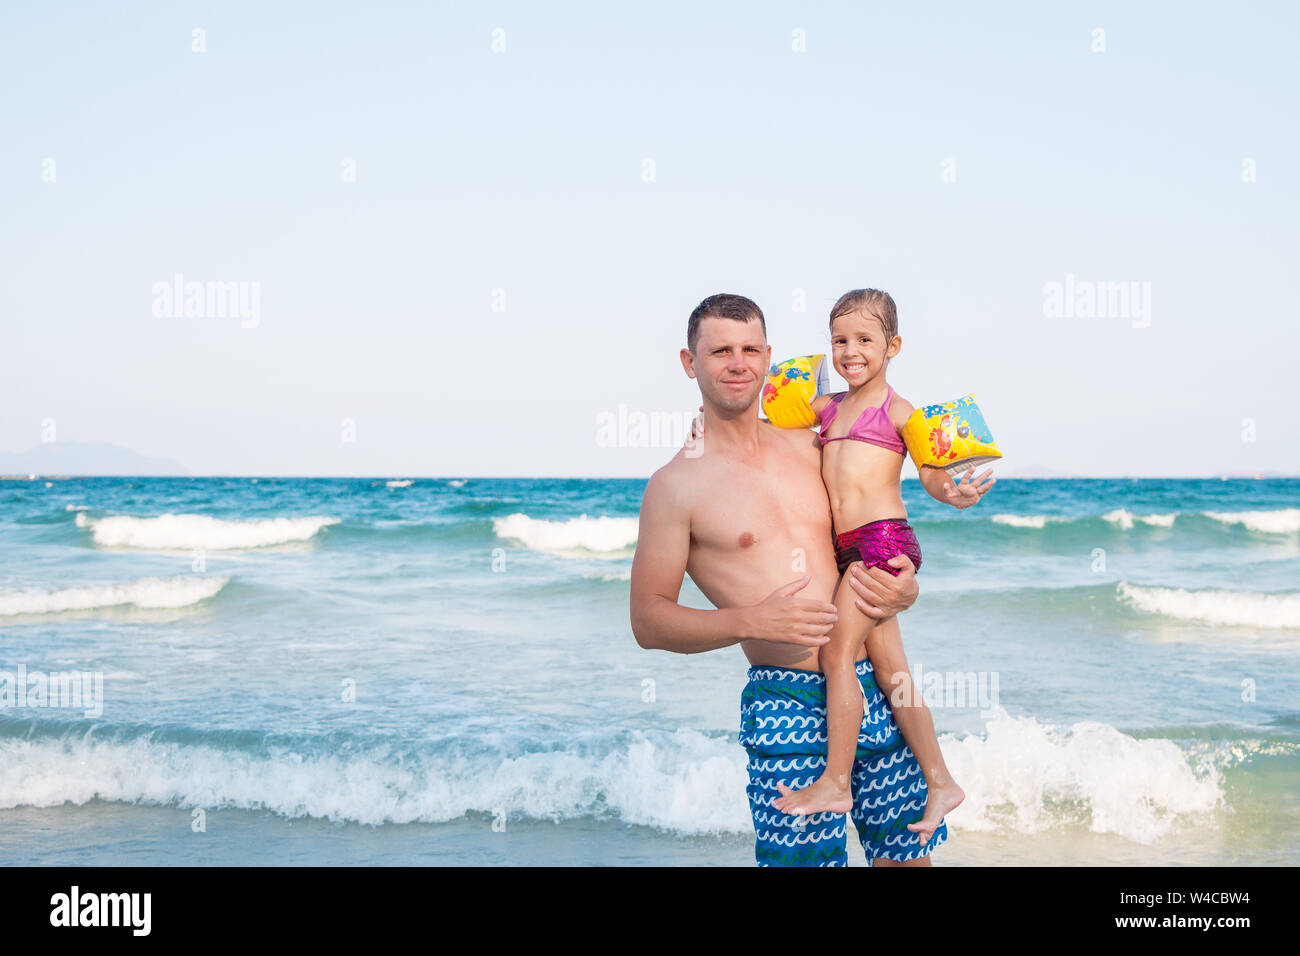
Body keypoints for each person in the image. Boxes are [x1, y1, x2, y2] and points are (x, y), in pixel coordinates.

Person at [630, 293, 943, 866]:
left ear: (769, 357)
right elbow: (648, 620)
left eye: (750, 349)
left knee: (908, 859)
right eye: (719, 350)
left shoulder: (811, 443)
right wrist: (750, 620)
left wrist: (906, 587)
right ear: (688, 361)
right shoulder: (675, 487)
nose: (737, 363)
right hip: (788, 699)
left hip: (874, 681)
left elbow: (871, 522)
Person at [694, 289, 994, 845]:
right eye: (839, 341)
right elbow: (762, 420)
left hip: (881, 543)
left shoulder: (898, 411)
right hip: (849, 546)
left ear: (893, 346)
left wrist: (949, 491)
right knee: (892, 670)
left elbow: (929, 470)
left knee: (836, 653)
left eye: (864, 340)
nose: (850, 352)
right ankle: (941, 778)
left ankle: (836, 779)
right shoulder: (829, 409)